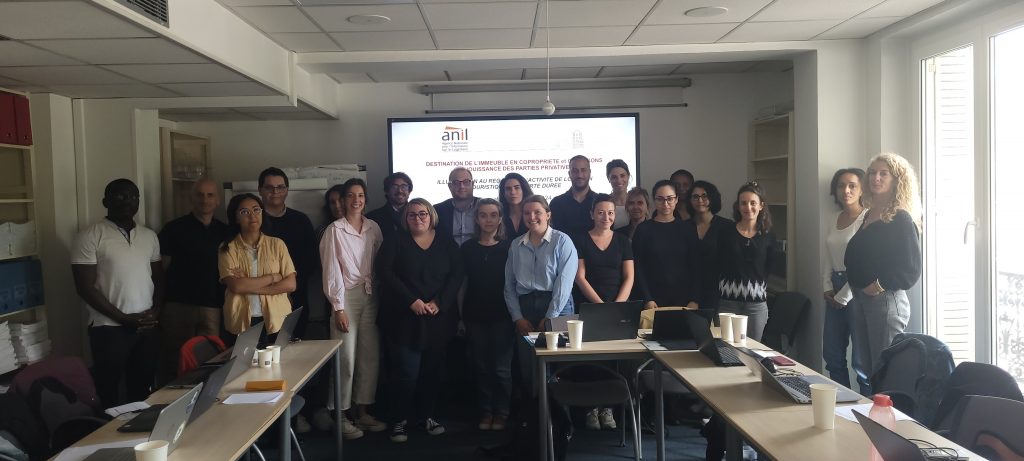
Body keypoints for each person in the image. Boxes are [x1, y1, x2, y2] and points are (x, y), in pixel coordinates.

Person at [376, 198, 464, 443]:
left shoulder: (445, 240)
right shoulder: (395, 240)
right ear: (405, 218)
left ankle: (426, 416)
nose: (418, 218)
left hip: (437, 318)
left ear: (431, 215)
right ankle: (399, 420)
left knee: (432, 373)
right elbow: (385, 272)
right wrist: (411, 300)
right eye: (412, 214)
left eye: (423, 213)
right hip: (403, 318)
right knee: (406, 373)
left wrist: (440, 302)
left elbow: (457, 273)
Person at [71, 179, 163, 407]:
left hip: (146, 326)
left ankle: (140, 430)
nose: (127, 201)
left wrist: (155, 311)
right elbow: (84, 288)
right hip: (109, 328)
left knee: (142, 391)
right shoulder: (90, 236)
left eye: (133, 196)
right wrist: (123, 319)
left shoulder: (149, 236)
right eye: (120, 196)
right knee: (108, 391)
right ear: (105, 201)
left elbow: (158, 278)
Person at [846, 153, 922, 389]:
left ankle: (886, 413)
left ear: (897, 180)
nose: (875, 178)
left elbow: (910, 269)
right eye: (872, 173)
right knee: (867, 369)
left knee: (884, 372)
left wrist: (878, 285)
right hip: (861, 298)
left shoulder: (900, 218)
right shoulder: (869, 214)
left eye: (883, 174)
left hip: (884, 301)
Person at [319, 178, 387, 439]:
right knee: (345, 358)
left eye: (360, 195)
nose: (356, 200)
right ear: (343, 200)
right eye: (350, 195)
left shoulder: (373, 227)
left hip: (371, 295)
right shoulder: (334, 230)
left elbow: (381, 262)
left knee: (369, 357)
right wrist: (338, 307)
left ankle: (362, 412)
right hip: (345, 297)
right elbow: (331, 271)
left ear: (365, 199)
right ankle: (341, 415)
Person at [156, 178, 227, 386]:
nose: (205, 200)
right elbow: (160, 270)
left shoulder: (226, 232)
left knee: (211, 360)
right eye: (200, 195)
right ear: (191, 198)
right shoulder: (173, 229)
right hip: (178, 306)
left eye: (210, 195)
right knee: (174, 359)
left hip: (213, 307)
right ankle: (170, 401)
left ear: (218, 200)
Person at [574, 194, 634, 430]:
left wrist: (616, 306)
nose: (606, 217)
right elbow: (580, 277)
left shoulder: (623, 241)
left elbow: (629, 277)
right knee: (592, 359)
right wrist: (600, 306)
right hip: (590, 306)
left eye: (610, 213)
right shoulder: (581, 239)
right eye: (600, 212)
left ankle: (608, 408)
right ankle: (591, 408)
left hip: (618, 307)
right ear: (592, 214)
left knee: (614, 360)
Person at [460, 198, 513, 432]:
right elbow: (462, 284)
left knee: (501, 369)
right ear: (476, 219)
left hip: (503, 316)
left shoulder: (510, 247)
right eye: (483, 215)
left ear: (500, 219)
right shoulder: (467, 248)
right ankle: (486, 411)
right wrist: (460, 316)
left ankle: (502, 412)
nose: (488, 220)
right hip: (474, 315)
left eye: (493, 215)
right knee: (480, 367)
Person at [218, 193, 296, 342]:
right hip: (242, 321)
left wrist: (248, 285)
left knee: (279, 357)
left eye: (256, 210)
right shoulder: (227, 248)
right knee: (244, 358)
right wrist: (273, 278)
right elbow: (236, 286)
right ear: (236, 217)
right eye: (244, 212)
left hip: (277, 318)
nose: (252, 215)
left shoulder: (277, 244)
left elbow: (290, 284)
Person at [822, 168, 869, 393]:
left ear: (862, 190)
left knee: (861, 361)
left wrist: (844, 296)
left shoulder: (867, 218)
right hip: (834, 286)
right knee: (832, 354)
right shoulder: (833, 218)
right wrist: (827, 286)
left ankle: (867, 407)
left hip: (856, 289)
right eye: (841, 185)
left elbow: (864, 264)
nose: (846, 190)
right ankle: (840, 403)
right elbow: (829, 256)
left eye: (852, 185)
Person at [505, 195, 578, 334]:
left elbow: (565, 283)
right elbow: (509, 284)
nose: (532, 217)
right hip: (525, 309)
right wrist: (517, 317)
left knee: (558, 348)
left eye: (537, 212)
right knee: (527, 349)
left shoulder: (562, 241)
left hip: (558, 306)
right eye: (527, 213)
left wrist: (551, 316)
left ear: (548, 215)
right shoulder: (516, 245)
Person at [258, 167, 316, 339]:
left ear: (287, 190)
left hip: (296, 298)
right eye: (269, 187)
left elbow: (310, 260)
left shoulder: (301, 220)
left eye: (280, 187)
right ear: (260, 190)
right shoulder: (253, 221)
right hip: (261, 300)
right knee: (265, 349)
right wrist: (273, 289)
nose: (275, 191)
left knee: (295, 348)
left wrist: (289, 288)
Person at [718, 182, 776, 341]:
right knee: (728, 349)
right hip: (728, 301)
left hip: (756, 304)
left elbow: (769, 266)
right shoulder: (725, 232)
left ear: (761, 206)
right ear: (738, 206)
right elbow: (718, 262)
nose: (748, 207)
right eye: (743, 203)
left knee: (752, 349)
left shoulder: (768, 235)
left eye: (753, 203)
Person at [632, 180, 700, 310]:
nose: (665, 203)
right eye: (660, 199)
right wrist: (647, 298)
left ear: (676, 199)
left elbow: (696, 266)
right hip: (653, 300)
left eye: (670, 199)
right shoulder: (643, 229)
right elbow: (637, 267)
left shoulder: (688, 228)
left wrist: (694, 299)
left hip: (684, 299)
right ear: (654, 200)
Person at [685, 180, 732, 314]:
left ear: (712, 198)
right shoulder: (683, 227)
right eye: (695, 197)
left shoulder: (727, 226)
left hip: (719, 293)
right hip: (688, 292)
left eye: (704, 196)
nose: (700, 200)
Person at [550, 155, 596, 243]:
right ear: (569, 173)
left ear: (590, 172)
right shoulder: (556, 203)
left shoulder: (600, 202)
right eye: (575, 171)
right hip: (563, 251)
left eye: (583, 170)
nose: (579, 175)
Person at [434, 167, 479, 246]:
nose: (461, 186)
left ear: (473, 184)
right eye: (456, 182)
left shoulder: (485, 207)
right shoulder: (437, 210)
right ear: (449, 186)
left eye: (466, 182)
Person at [366, 172, 413, 242]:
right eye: (395, 186)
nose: (400, 190)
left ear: (409, 191)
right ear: (387, 191)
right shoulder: (372, 218)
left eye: (404, 186)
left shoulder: (418, 216)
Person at [498, 172, 533, 239]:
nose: (512, 192)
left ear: (523, 190)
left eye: (517, 188)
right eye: (508, 189)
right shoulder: (499, 216)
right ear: (503, 193)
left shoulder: (533, 215)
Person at [605, 159, 632, 230]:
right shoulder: (604, 203)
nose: (619, 180)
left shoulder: (637, 202)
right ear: (608, 179)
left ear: (628, 176)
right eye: (614, 177)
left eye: (622, 176)